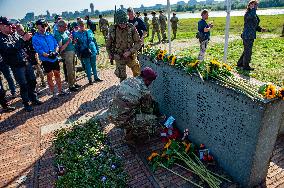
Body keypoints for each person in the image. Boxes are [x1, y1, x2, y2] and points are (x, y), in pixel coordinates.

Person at [108, 67, 160, 145]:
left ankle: (127, 125)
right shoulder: (144, 91)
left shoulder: (128, 80)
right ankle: (129, 137)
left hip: (111, 114)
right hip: (120, 120)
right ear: (147, 80)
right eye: (151, 81)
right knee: (151, 120)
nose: (151, 83)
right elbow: (147, 111)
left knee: (131, 109)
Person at [0, 17, 41, 112]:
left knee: (32, 81)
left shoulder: (13, 34)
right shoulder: (1, 39)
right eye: (8, 25)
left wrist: (27, 39)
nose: (11, 26)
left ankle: (34, 99)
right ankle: (26, 103)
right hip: (17, 66)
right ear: (1, 26)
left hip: (26, 62)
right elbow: (9, 49)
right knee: (23, 85)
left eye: (11, 24)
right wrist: (23, 40)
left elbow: (21, 45)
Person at [106, 9, 142, 82]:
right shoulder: (112, 30)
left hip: (130, 56)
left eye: (124, 23)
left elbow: (138, 42)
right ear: (117, 22)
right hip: (119, 57)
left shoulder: (131, 28)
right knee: (122, 77)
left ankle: (138, 88)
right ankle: (124, 90)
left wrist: (130, 52)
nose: (123, 25)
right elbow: (108, 45)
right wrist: (110, 54)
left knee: (137, 72)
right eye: (121, 24)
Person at [32, 19, 65, 98]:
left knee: (57, 74)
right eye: (41, 26)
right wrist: (48, 55)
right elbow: (38, 50)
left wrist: (56, 52)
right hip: (46, 60)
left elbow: (56, 45)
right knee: (49, 76)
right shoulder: (35, 38)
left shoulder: (50, 35)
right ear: (37, 26)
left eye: (45, 26)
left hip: (54, 58)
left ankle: (60, 91)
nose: (43, 28)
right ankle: (53, 93)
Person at [237, 0, 266, 71]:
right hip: (247, 35)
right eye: (253, 5)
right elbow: (250, 17)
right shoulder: (248, 14)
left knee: (247, 50)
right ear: (249, 6)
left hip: (251, 35)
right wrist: (252, 9)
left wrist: (260, 29)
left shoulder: (254, 14)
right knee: (248, 51)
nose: (255, 6)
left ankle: (240, 63)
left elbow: (254, 25)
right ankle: (245, 66)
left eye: (256, 5)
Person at [15, 24, 46, 89]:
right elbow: (20, 47)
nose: (20, 32)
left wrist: (35, 52)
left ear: (23, 29)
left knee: (38, 68)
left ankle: (43, 82)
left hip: (33, 54)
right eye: (18, 31)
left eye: (20, 30)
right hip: (26, 57)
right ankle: (35, 86)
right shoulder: (19, 38)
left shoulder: (29, 35)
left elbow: (34, 44)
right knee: (32, 72)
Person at [54, 19, 81, 92]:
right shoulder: (57, 34)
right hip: (66, 53)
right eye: (65, 27)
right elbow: (60, 48)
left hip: (71, 51)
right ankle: (71, 85)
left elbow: (69, 41)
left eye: (66, 26)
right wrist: (68, 41)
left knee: (73, 69)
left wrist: (73, 41)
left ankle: (74, 82)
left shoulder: (64, 32)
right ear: (60, 26)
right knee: (69, 70)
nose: (66, 28)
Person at [74, 20, 102, 85]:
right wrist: (78, 54)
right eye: (80, 25)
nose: (81, 27)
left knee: (93, 64)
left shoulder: (89, 31)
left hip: (91, 50)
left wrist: (97, 49)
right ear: (78, 26)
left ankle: (95, 77)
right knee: (88, 65)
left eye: (82, 25)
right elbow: (76, 45)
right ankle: (90, 79)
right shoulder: (77, 34)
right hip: (84, 51)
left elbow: (94, 40)